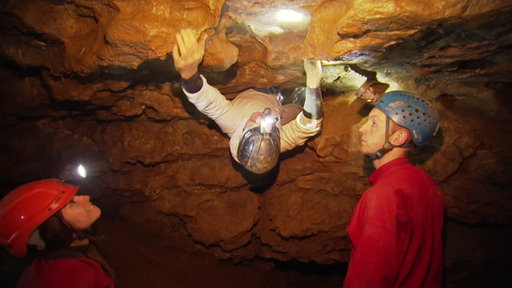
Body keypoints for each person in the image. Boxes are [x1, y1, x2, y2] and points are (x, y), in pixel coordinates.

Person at [172, 29, 324, 174]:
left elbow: (205, 101)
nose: (259, 118)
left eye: (252, 126)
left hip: (257, 91)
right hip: (279, 108)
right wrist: (313, 80)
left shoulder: (231, 119)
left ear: (241, 133)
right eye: (266, 126)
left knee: (282, 112)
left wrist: (189, 73)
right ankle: (292, 100)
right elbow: (310, 125)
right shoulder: (277, 143)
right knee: (296, 110)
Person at [344, 91, 444, 287]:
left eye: (374, 123)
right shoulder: (427, 185)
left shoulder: (382, 196)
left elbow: (370, 277)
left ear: (398, 137)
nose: (362, 129)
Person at [0, 178, 116, 288]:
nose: (85, 197)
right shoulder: (71, 278)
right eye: (71, 204)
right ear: (55, 229)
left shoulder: (56, 264)